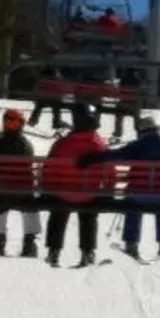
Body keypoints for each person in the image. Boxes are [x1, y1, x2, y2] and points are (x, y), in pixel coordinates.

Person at [42, 106, 109, 266]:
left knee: (58, 211)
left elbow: (48, 169)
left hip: (63, 193)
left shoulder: (61, 144)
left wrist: (48, 187)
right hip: (89, 195)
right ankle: (88, 252)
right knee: (88, 214)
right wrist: (107, 189)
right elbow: (110, 171)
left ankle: (54, 251)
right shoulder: (100, 145)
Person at [111, 111, 160, 259]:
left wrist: (93, 158)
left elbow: (115, 156)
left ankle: (131, 244)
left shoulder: (137, 146)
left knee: (132, 205)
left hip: (137, 195)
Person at [0, 109, 41, 258]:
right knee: (31, 207)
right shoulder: (26, 145)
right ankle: (29, 243)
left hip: (2, 191)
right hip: (24, 193)